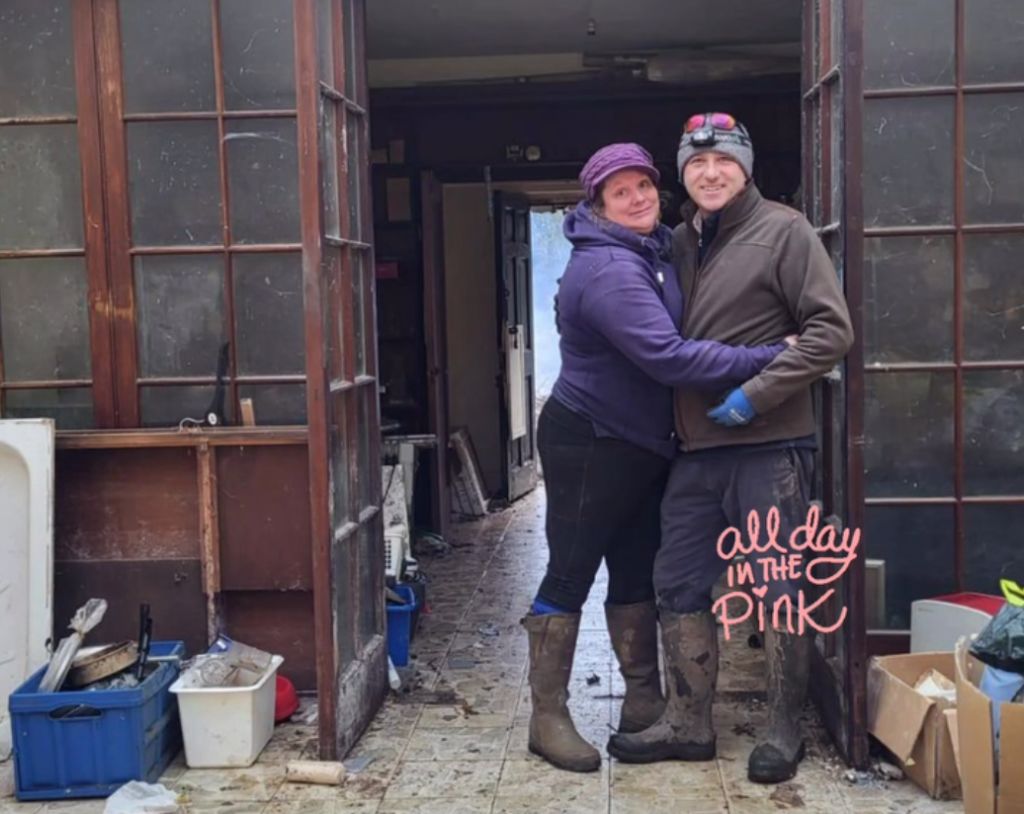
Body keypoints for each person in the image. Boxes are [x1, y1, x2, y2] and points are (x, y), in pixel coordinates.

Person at [524, 142, 794, 773]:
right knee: (570, 571)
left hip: (643, 445)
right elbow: (671, 357)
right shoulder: (609, 271)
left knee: (636, 570)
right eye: (622, 192)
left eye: (644, 185)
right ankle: (547, 717)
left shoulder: (652, 250)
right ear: (599, 205)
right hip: (590, 440)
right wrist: (765, 358)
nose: (639, 197)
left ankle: (643, 700)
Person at [606, 114, 854, 784]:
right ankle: (689, 723)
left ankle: (783, 727)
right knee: (678, 582)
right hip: (694, 451)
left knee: (778, 590)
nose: (710, 173)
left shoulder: (784, 230)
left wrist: (756, 395)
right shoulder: (678, 240)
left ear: (745, 168)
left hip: (769, 447)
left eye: (723, 162)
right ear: (683, 172)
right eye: (696, 164)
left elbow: (831, 332)